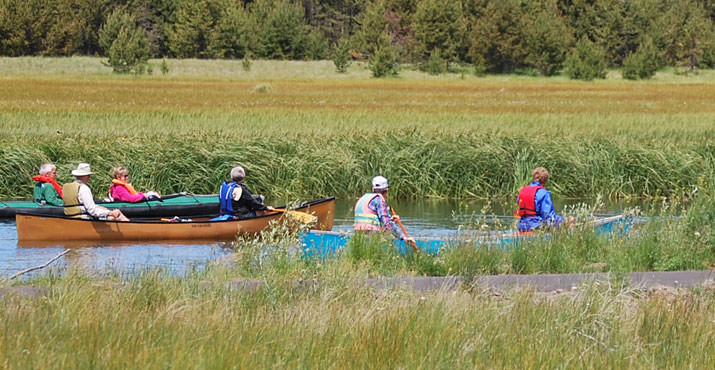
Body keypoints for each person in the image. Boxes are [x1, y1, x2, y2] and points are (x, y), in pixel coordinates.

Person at [354, 175, 414, 243]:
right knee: (390, 236)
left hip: (358, 234)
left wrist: (391, 219)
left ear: (373, 189)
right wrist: (403, 237)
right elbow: (387, 223)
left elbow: (371, 218)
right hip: (372, 235)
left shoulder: (363, 198)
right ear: (387, 190)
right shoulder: (379, 200)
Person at [63, 163, 129, 221]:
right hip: (83, 218)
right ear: (87, 176)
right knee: (119, 215)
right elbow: (92, 211)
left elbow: (79, 205)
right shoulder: (83, 188)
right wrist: (109, 212)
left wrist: (97, 207)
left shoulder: (67, 187)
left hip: (71, 217)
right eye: (89, 176)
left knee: (101, 209)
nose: (89, 177)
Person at [516, 167, 567, 232]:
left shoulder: (522, 191)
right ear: (545, 180)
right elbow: (548, 216)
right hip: (537, 226)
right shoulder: (544, 193)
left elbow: (519, 204)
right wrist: (561, 220)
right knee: (570, 220)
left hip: (521, 226)